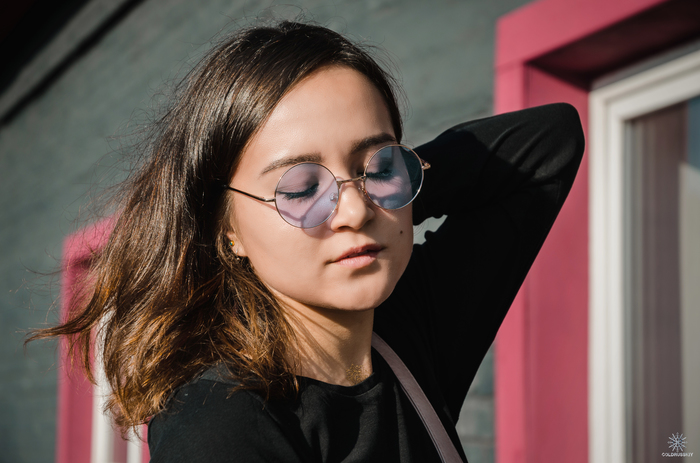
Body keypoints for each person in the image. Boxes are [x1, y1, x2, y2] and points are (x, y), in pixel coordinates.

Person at [31, 20, 584, 462]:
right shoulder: (222, 425)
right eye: (299, 187)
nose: (353, 211)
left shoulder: (406, 338)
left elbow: (550, 141)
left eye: (379, 163)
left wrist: (394, 184)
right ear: (227, 229)